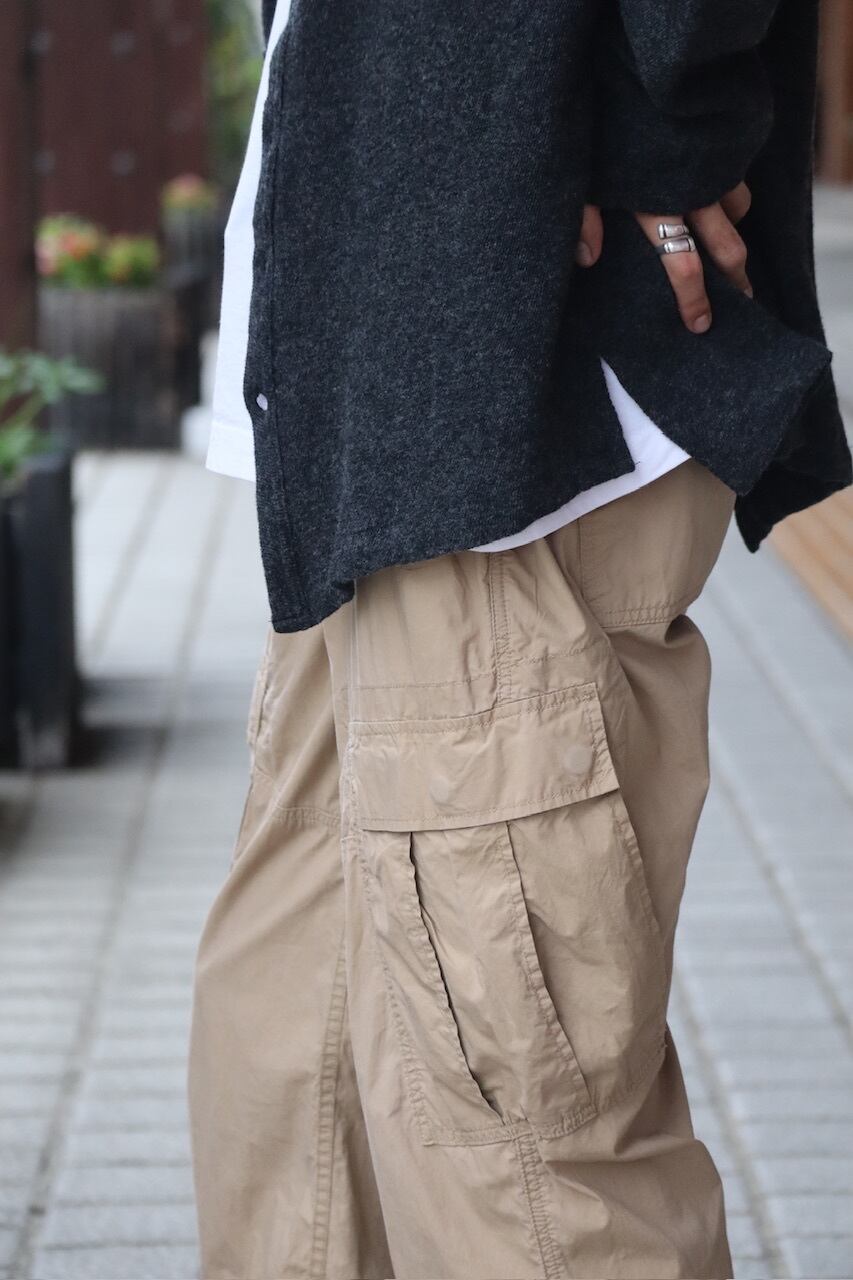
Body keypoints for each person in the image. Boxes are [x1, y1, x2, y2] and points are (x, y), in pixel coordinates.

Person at [187, 2, 852, 1277]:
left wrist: (656, 133)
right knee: (299, 1086)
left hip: (511, 400)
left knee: (522, 1153)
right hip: (371, 376)